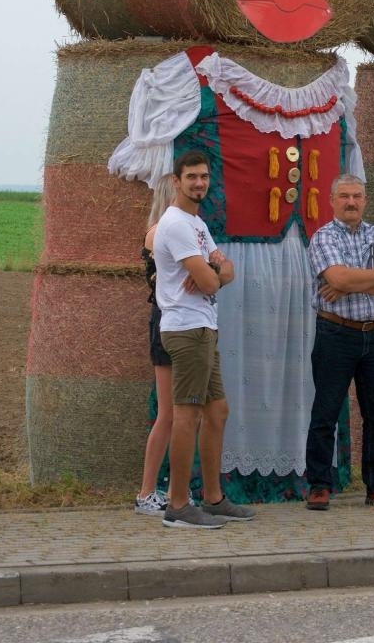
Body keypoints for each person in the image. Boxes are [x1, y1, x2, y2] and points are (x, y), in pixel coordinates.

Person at [155, 149, 255, 528]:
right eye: (191, 177)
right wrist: (213, 272)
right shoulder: (178, 225)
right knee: (188, 414)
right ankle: (177, 505)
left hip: (204, 326)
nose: (199, 183)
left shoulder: (198, 223)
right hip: (186, 329)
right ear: (176, 182)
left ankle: (213, 499)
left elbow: (223, 271)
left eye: (204, 177)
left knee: (217, 411)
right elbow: (215, 278)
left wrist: (212, 271)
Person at [304, 175, 374, 511]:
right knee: (326, 412)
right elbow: (336, 278)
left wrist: (350, 283)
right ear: (332, 201)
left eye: (357, 196)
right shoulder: (323, 237)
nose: (351, 202)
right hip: (336, 334)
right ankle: (319, 485)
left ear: (365, 200)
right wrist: (371, 277)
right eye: (344, 196)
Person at [134, 172, 178, 515]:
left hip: (184, 322)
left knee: (183, 414)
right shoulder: (157, 234)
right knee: (167, 414)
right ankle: (146, 492)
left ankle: (174, 490)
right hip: (167, 322)